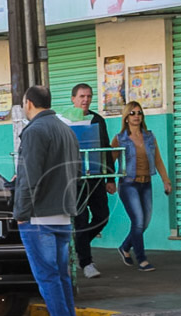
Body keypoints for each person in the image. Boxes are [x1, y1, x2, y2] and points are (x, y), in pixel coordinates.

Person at [14, 85, 81, 316]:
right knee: (61, 277)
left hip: (39, 215)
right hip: (63, 213)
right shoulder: (66, 129)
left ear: (29, 103)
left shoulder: (35, 131)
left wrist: (21, 212)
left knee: (48, 278)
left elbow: (30, 176)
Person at [111, 101, 172, 272]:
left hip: (146, 183)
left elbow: (158, 160)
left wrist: (165, 180)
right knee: (137, 221)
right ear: (126, 117)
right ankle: (142, 259)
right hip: (128, 184)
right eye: (132, 113)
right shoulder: (119, 138)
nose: (136, 116)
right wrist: (108, 182)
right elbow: (110, 161)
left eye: (139, 113)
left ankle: (124, 247)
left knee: (144, 223)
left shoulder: (149, 137)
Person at [70, 83, 116, 279]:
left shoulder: (98, 120)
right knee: (80, 221)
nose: (85, 100)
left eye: (88, 96)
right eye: (81, 96)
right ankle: (86, 262)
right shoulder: (65, 120)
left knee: (102, 216)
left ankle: (81, 244)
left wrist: (110, 178)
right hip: (75, 180)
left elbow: (105, 149)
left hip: (95, 178)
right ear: (73, 99)